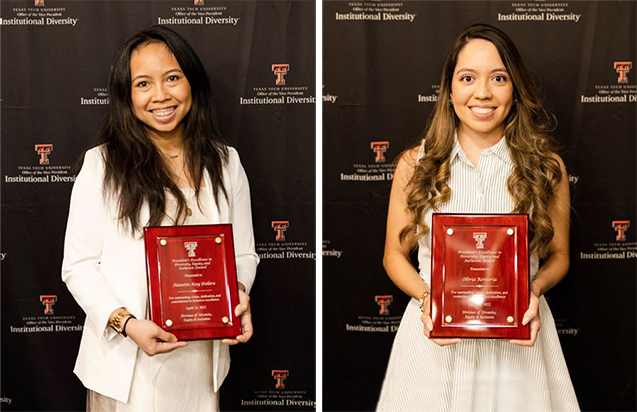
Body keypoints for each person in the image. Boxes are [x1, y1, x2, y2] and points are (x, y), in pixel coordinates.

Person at [377, 24, 579, 411]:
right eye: (467, 78)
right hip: (434, 346)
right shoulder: (414, 165)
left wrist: (534, 291)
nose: (482, 92)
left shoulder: (546, 168)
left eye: (498, 78)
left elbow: (559, 256)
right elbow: (393, 255)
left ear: (515, 89)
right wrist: (427, 300)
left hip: (520, 343)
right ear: (449, 90)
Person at [61, 25, 259, 411]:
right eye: (143, 84)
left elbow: (244, 255)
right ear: (126, 95)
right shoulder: (102, 164)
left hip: (200, 363)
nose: (161, 96)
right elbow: (79, 266)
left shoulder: (226, 163)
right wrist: (128, 323)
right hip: (125, 364)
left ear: (192, 83)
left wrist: (236, 294)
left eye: (172, 78)